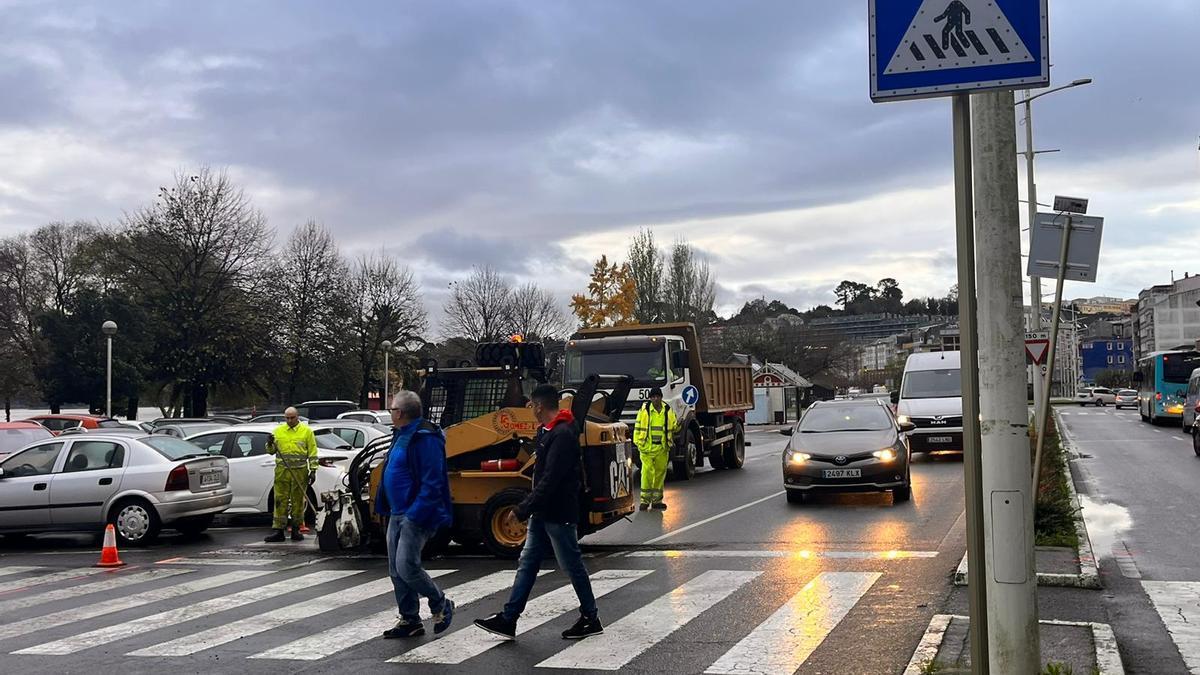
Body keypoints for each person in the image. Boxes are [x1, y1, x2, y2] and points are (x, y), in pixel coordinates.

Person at [474, 383, 602, 641]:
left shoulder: (562, 434)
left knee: (572, 565)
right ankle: (509, 619)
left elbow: (551, 479)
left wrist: (522, 508)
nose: (529, 408)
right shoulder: (549, 431)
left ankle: (591, 617)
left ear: (540, 405)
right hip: (543, 513)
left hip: (558, 512)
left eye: (531, 405)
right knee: (528, 563)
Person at [375, 390, 455, 638]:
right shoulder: (401, 435)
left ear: (400, 413)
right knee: (396, 571)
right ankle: (410, 619)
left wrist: (414, 514)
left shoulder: (425, 438)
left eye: (392, 410)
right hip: (397, 513)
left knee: (407, 567)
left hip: (414, 515)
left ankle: (440, 603)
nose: (390, 414)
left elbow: (433, 482)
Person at [264, 407, 317, 542]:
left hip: (300, 471)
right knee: (280, 500)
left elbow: (312, 452)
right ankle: (279, 531)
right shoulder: (278, 432)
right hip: (282, 471)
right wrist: (270, 443)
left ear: (297, 417)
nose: (289, 420)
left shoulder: (306, 432)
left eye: (292, 417)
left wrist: (313, 470)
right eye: (287, 418)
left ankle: (295, 530)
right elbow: (271, 451)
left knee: (298, 501)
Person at [633, 387, 679, 511]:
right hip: (647, 448)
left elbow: (673, 427)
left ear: (661, 397)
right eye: (653, 397)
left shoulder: (668, 410)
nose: (655, 399)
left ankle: (657, 501)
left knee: (660, 474)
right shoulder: (644, 411)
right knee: (646, 473)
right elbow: (638, 427)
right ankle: (644, 501)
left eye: (657, 396)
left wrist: (678, 424)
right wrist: (638, 443)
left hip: (662, 448)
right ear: (650, 398)